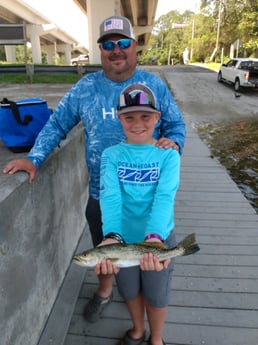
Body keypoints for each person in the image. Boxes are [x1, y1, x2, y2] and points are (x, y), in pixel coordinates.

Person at [2, 15, 185, 323]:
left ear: (134, 46)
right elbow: (58, 123)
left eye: (123, 43)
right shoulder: (85, 87)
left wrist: (174, 142)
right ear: (100, 50)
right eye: (108, 44)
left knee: (149, 255)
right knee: (103, 246)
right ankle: (103, 290)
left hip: (146, 194)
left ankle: (146, 321)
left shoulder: (153, 84)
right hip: (104, 194)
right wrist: (34, 158)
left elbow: (176, 124)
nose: (116, 50)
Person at [95, 83, 180, 345]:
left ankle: (156, 339)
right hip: (122, 240)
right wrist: (112, 235)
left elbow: (164, 196)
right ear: (119, 118)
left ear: (157, 117)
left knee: (156, 296)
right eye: (129, 117)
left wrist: (154, 237)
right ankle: (137, 330)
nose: (137, 123)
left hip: (158, 239)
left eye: (145, 116)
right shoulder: (110, 155)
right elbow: (110, 196)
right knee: (130, 291)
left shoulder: (168, 155)